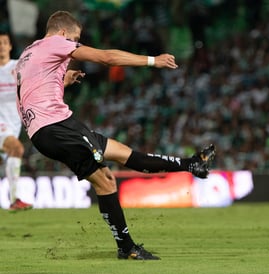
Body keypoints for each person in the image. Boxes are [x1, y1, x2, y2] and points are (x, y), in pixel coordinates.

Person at [15, 11, 215, 260]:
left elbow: (29, 90)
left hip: (44, 131)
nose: (74, 45)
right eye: (75, 39)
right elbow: (107, 58)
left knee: (118, 163)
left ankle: (191, 165)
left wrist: (63, 79)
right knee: (109, 175)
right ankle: (127, 247)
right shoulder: (57, 42)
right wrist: (154, 61)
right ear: (64, 33)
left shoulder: (28, 53)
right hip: (57, 125)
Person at [0, 32, 32, 211]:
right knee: (17, 149)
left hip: (14, 124)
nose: (1, 46)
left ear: (10, 46)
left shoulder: (18, 68)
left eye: (5, 42)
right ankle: (14, 200)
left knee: (7, 158)